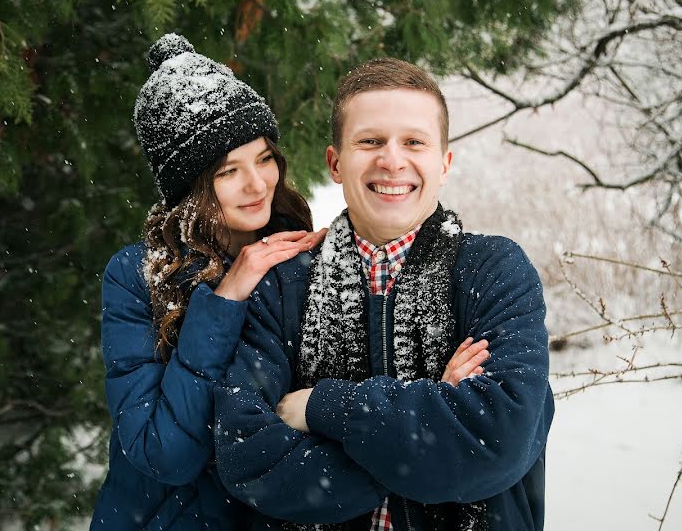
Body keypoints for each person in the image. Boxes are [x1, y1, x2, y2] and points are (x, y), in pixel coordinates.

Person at [214, 57, 554, 530]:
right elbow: (248, 459)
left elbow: (496, 444)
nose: (392, 160)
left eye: (414, 142)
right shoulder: (283, 284)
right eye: (370, 141)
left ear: (444, 163)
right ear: (335, 162)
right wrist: (424, 431)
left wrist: (321, 408)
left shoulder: (493, 270)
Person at [90, 33, 325, 530]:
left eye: (264, 159)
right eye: (228, 171)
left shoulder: (307, 259)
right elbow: (165, 454)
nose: (258, 184)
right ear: (190, 186)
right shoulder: (135, 277)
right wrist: (226, 299)